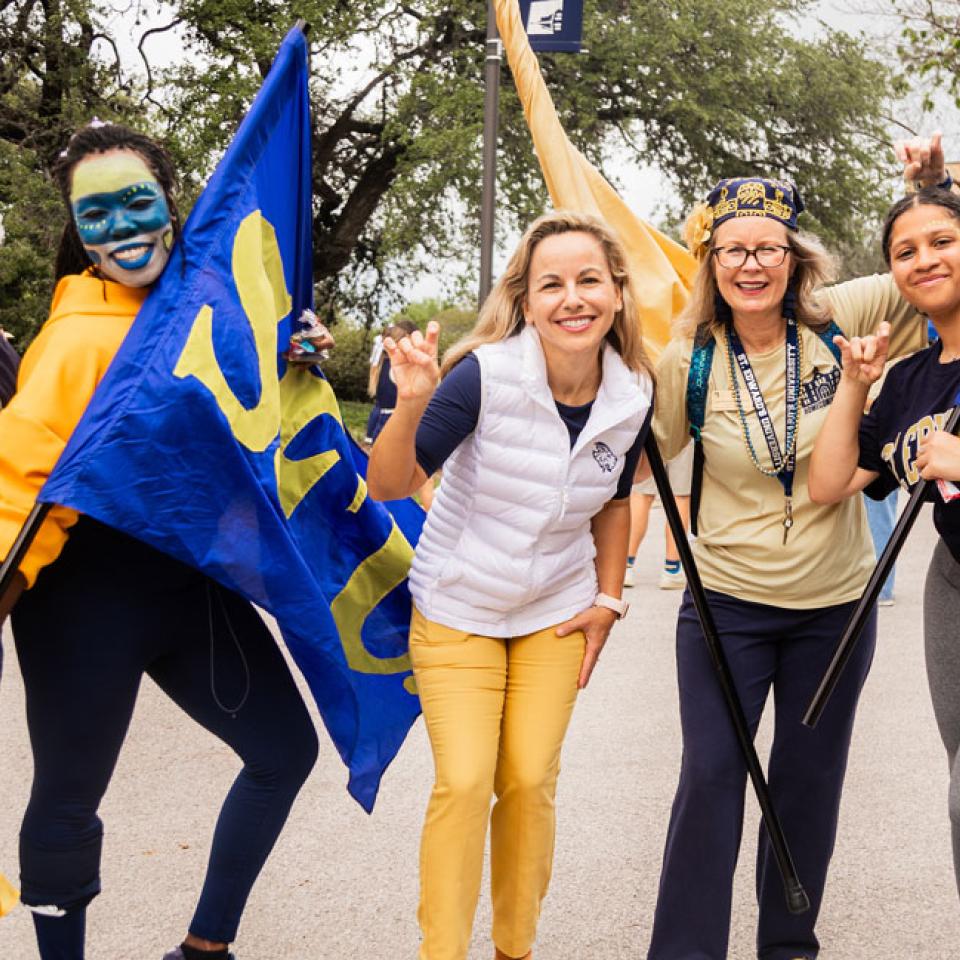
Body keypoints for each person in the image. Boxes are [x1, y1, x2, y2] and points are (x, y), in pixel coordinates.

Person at [0, 121, 319, 960]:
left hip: (189, 585)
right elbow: (17, 480)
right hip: (79, 601)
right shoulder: (75, 339)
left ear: (171, 205)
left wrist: (289, 357)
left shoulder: (208, 303)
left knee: (284, 752)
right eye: (95, 214)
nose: (121, 228)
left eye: (136, 201)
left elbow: (248, 420)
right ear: (78, 228)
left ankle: (202, 951)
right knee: (69, 799)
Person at [647, 163, 934, 960]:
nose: (750, 264)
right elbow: (633, 465)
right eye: (732, 249)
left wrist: (937, 184)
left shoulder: (843, 318)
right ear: (709, 263)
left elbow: (937, 262)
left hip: (833, 613)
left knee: (807, 789)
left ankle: (788, 947)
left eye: (768, 248)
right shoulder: (687, 361)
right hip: (724, 610)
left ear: (796, 259)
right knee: (710, 780)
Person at [367, 210, 654, 960]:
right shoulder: (481, 378)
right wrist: (413, 401)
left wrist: (609, 598)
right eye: (550, 284)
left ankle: (514, 949)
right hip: (460, 605)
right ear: (526, 303)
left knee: (528, 782)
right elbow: (392, 482)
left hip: (554, 611)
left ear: (617, 293)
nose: (572, 298)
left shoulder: (632, 394)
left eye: (589, 279)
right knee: (464, 783)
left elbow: (617, 502)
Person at [809, 182, 960, 903]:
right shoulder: (910, 381)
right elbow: (831, 481)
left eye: (942, 242)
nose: (923, 259)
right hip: (954, 583)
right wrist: (854, 384)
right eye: (905, 252)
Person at [623, 443, 692, 590]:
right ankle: (672, 570)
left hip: (653, 427)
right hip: (685, 429)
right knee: (681, 496)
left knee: (642, 494)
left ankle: (626, 566)